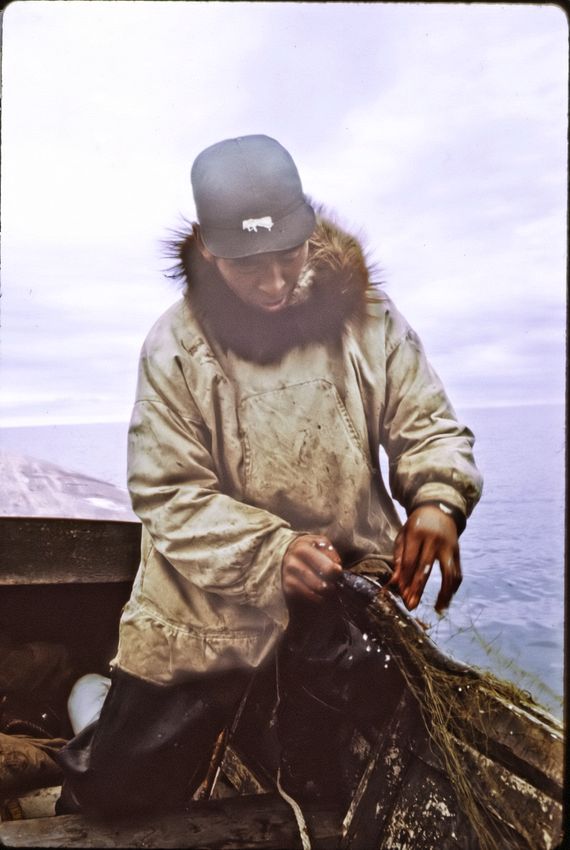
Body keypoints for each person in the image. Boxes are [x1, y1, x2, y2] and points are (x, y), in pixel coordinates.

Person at [56, 134, 482, 817]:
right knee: (112, 796)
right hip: (200, 612)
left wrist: (437, 499)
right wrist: (270, 552)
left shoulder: (370, 321)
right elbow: (169, 493)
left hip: (342, 602)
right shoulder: (176, 347)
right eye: (250, 267)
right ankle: (94, 714)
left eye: (289, 257)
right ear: (211, 253)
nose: (276, 284)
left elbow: (427, 423)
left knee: (331, 797)